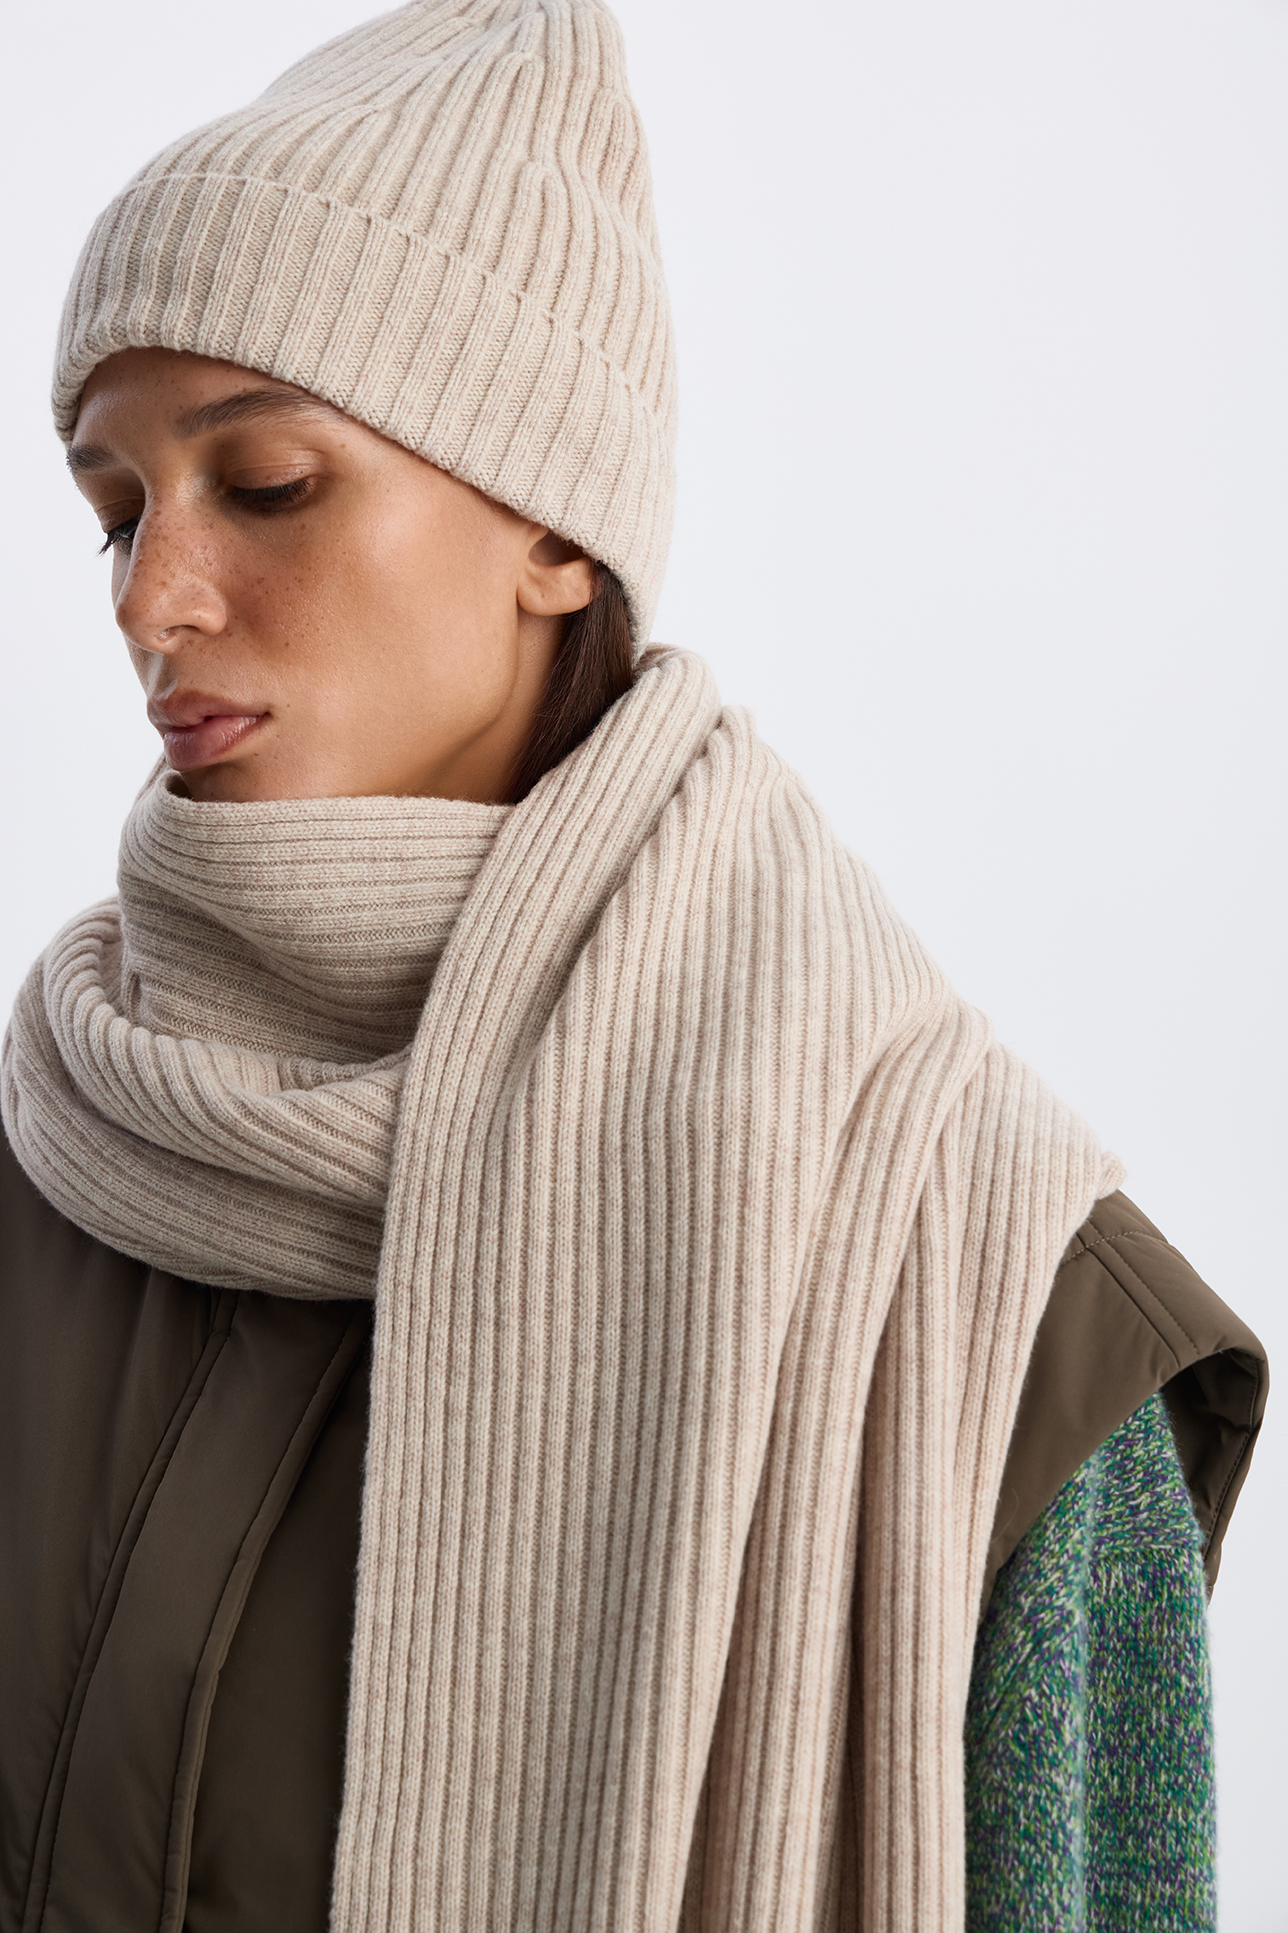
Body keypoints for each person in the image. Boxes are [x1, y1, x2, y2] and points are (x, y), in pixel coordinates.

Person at [0, 4, 1266, 1929]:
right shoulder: (55, 1156)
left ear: (554, 532)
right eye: (114, 515)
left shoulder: (985, 1313)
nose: (153, 602)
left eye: (263, 484)